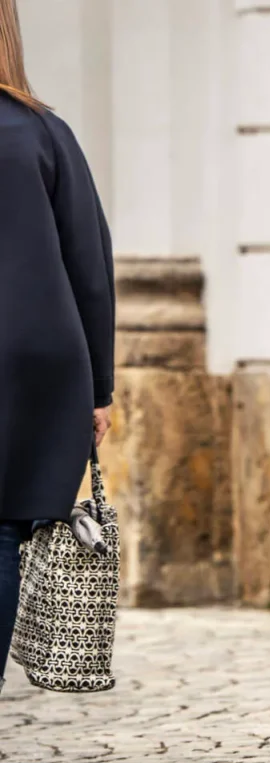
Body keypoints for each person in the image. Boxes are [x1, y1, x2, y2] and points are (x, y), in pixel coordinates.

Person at [0, 0, 115, 695]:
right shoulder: (44, 134)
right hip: (36, 364)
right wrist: (98, 389)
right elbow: (90, 270)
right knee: (5, 531)